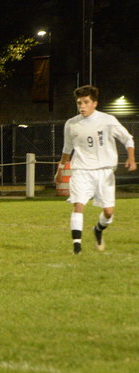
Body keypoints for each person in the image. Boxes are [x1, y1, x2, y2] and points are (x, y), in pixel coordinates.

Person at [55, 85, 136, 254]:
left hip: (104, 171)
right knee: (78, 205)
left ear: (94, 103)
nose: (82, 106)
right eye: (79, 103)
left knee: (108, 212)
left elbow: (127, 139)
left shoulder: (108, 120)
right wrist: (60, 169)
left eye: (86, 102)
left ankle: (98, 229)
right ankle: (77, 247)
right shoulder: (71, 124)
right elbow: (67, 149)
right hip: (81, 170)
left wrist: (131, 158)